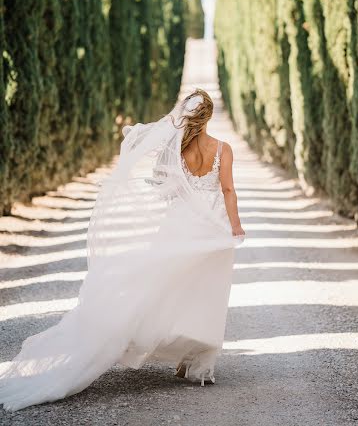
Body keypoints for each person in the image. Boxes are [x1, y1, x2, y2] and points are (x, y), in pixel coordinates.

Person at [0, 89, 245, 411]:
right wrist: (235, 226)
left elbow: (162, 185)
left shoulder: (175, 149)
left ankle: (140, 339)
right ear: (209, 116)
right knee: (204, 293)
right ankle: (194, 362)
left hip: (177, 228)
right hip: (211, 229)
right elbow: (227, 189)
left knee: (164, 289)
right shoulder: (222, 150)